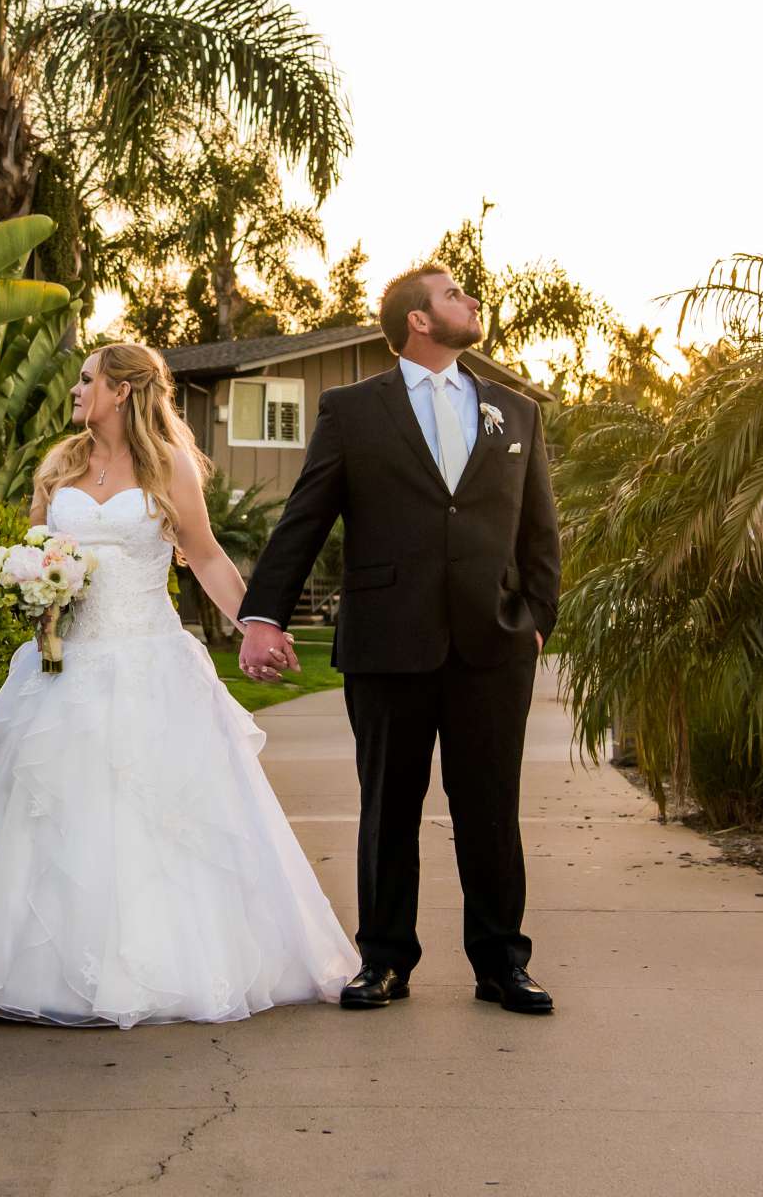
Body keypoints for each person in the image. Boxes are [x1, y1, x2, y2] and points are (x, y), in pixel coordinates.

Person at [0, 342, 359, 1028]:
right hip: (63, 665)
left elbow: (206, 556)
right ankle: (25, 973)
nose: (76, 391)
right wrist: (32, 587)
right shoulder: (59, 466)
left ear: (124, 390)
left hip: (148, 663)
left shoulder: (171, 469)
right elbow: (34, 555)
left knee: (152, 820)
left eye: (86, 380)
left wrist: (259, 624)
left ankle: (157, 971)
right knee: (43, 810)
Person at [237, 267, 562, 1015]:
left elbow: (539, 530)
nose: (471, 302)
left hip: (495, 643)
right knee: (388, 807)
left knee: (490, 807)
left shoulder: (516, 412)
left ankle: (502, 963)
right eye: (454, 295)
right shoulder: (353, 410)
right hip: (388, 641)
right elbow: (305, 515)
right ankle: (383, 960)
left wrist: (538, 615)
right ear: (417, 320)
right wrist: (265, 614)